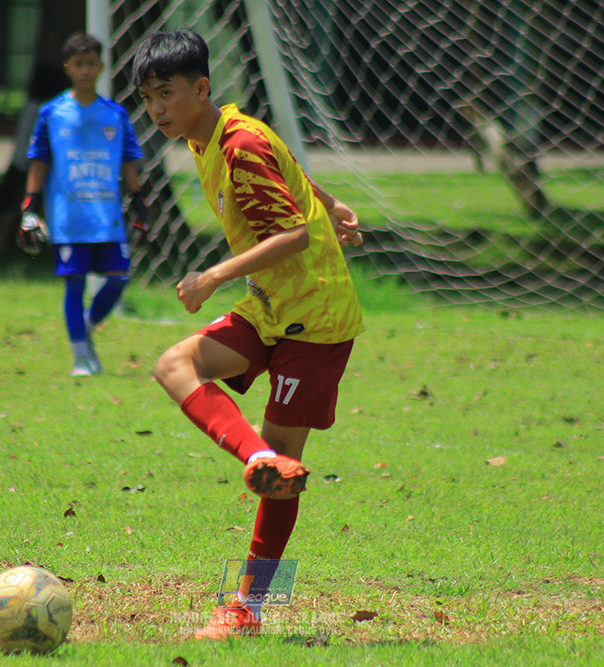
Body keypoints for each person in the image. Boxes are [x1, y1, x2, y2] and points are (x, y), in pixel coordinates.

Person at [131, 29, 365, 640]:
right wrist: (330, 201)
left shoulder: (238, 144)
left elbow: (292, 236)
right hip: (269, 305)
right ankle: (257, 457)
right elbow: (292, 182)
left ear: (201, 88)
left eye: (166, 93)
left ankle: (249, 609)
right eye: (147, 97)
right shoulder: (215, 136)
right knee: (174, 365)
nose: (156, 109)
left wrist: (212, 275)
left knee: (285, 470)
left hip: (315, 318)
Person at [20, 33, 148, 377]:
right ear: (68, 67)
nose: (86, 70)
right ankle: (80, 359)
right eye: (79, 64)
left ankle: (85, 329)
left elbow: (129, 162)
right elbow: (39, 160)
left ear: (102, 66)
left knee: (119, 278)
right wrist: (29, 208)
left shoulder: (115, 115)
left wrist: (140, 206)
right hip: (68, 220)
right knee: (74, 284)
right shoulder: (51, 113)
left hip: (106, 217)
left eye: (92, 63)